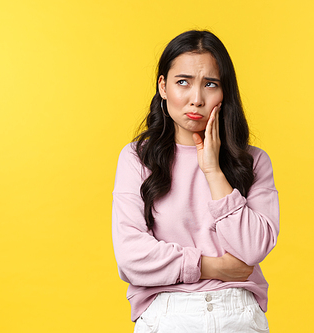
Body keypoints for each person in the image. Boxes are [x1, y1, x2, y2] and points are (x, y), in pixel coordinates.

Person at [112, 30, 279, 333]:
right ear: (163, 86)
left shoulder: (253, 161)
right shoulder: (138, 158)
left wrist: (213, 171)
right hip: (166, 315)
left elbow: (253, 249)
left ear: (224, 91)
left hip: (238, 314)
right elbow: (130, 256)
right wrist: (210, 266)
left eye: (210, 84)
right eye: (183, 82)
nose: (197, 99)